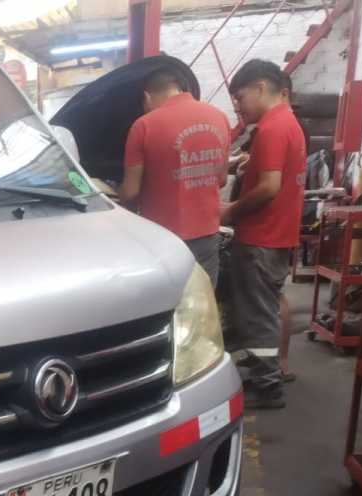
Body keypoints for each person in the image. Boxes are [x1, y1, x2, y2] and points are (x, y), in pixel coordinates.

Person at [221, 59, 306, 409]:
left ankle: (267, 387)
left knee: (257, 315)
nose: (238, 107)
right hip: (276, 234)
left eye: (240, 98)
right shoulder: (287, 123)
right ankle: (263, 373)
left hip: (261, 237)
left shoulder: (272, 128)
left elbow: (270, 187)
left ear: (260, 87)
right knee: (264, 309)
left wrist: (230, 210)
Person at [120, 67, 230, 289]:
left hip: (162, 238)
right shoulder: (219, 117)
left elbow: (130, 192)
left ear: (146, 96)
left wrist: (112, 195)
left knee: (169, 303)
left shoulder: (144, 125)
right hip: (208, 232)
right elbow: (221, 179)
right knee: (203, 299)